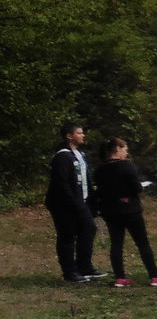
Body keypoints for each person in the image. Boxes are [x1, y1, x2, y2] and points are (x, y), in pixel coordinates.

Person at [95, 138, 157, 287]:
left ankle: (120, 277)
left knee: (116, 243)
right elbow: (136, 187)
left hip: (110, 210)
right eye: (125, 148)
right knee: (142, 243)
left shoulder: (100, 168)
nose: (126, 152)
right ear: (117, 149)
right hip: (130, 209)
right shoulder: (127, 166)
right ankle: (154, 276)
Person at [45, 121, 98, 283]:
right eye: (79, 133)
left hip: (82, 202)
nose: (83, 135)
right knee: (67, 236)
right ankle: (69, 272)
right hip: (64, 205)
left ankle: (84, 267)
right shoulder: (62, 156)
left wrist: (91, 200)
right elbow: (61, 183)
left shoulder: (80, 155)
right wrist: (74, 202)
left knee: (88, 229)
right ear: (69, 136)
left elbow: (86, 179)